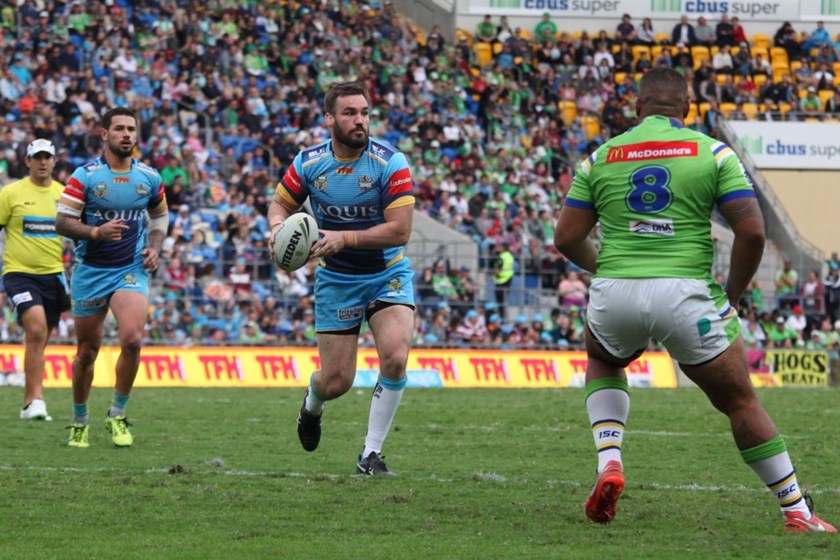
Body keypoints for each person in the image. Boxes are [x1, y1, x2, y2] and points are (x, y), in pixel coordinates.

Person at [553, 67, 835, 533]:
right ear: (686, 110)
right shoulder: (714, 152)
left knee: (603, 360)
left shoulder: (599, 157)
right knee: (740, 401)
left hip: (615, 289)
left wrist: (607, 266)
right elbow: (752, 231)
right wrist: (733, 295)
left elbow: (565, 238)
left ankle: (610, 460)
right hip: (686, 292)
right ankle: (797, 512)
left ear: (637, 108)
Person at [267, 82, 415, 476]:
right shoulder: (309, 163)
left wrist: (344, 237)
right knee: (336, 381)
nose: (360, 120)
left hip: (387, 274)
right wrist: (277, 227)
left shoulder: (390, 163)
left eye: (365, 112)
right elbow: (281, 203)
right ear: (330, 118)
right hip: (337, 281)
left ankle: (371, 454)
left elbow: (400, 231)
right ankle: (311, 406)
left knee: (396, 358)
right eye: (350, 113)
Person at [56, 107, 169, 448]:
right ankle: (80, 420)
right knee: (87, 352)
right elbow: (62, 222)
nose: (126, 135)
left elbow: (160, 215)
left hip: (130, 270)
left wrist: (154, 246)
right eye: (119, 128)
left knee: (133, 339)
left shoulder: (148, 176)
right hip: (90, 273)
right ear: (103, 134)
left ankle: (117, 414)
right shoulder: (85, 176)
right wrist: (95, 232)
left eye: (131, 129)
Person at [0, 139, 68, 421]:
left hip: (53, 276)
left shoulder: (65, 195)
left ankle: (30, 403)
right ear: (27, 161)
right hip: (19, 273)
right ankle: (36, 399)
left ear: (54, 161)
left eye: (47, 157)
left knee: (40, 340)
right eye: (36, 157)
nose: (42, 162)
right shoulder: (10, 193)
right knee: (37, 329)